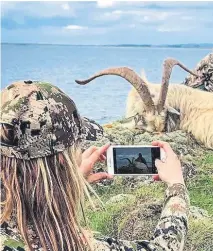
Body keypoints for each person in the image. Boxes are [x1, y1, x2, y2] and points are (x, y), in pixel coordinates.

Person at [0, 80, 189, 251]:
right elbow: (164, 247)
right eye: (76, 147)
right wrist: (176, 186)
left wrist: (69, 186)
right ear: (62, 161)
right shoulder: (71, 244)